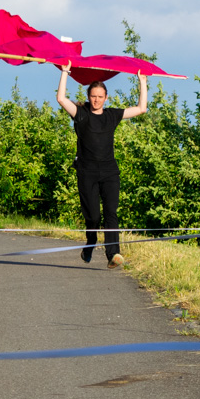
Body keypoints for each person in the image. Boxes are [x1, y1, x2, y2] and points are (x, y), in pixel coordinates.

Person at [56, 64, 147, 268]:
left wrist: (142, 82)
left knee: (111, 213)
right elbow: (61, 99)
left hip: (109, 172)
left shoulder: (112, 115)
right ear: (89, 97)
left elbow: (142, 109)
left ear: (106, 98)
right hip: (87, 172)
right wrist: (65, 72)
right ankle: (90, 243)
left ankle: (113, 255)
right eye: (93, 96)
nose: (96, 100)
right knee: (94, 217)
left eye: (100, 96)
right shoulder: (81, 114)